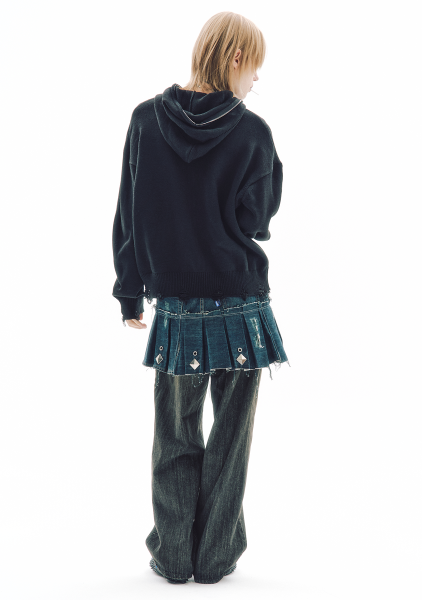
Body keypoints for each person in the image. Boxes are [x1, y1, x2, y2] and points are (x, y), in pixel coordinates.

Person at [111, 11, 290, 584]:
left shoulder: (145, 120)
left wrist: (130, 293)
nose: (255, 81)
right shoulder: (253, 132)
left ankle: (173, 556)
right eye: (254, 68)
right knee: (231, 438)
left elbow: (129, 214)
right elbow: (256, 221)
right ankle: (215, 557)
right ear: (235, 57)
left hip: (177, 309)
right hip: (240, 307)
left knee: (174, 434)